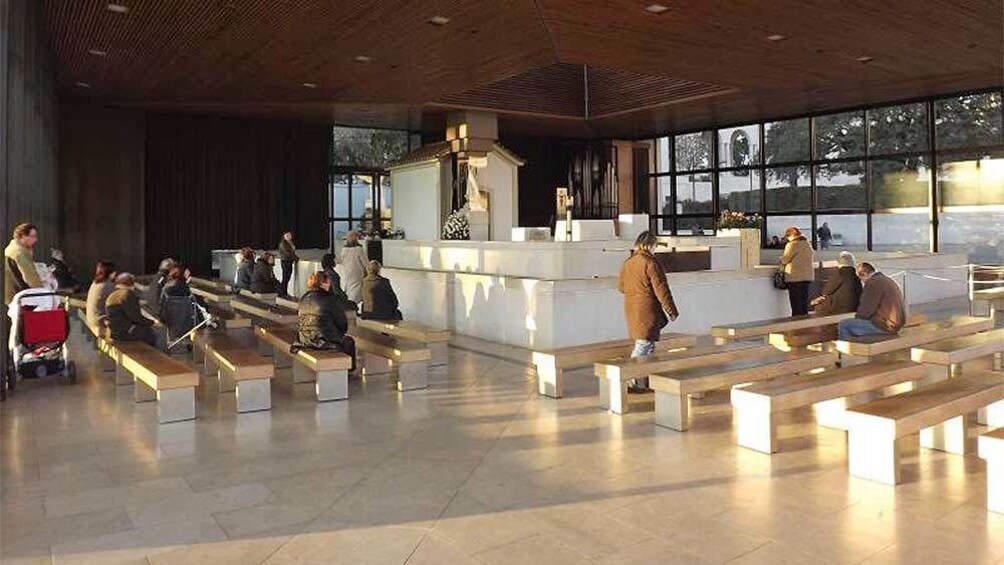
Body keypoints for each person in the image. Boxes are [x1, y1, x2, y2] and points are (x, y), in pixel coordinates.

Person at [618, 231, 679, 393]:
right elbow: (662, 290)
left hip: (632, 308)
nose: (655, 249)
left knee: (648, 345)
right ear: (649, 245)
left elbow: (621, 287)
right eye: (655, 245)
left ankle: (643, 381)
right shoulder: (650, 263)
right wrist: (671, 310)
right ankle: (629, 380)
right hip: (647, 309)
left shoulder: (628, 262)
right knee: (643, 345)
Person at [837, 262, 906, 340]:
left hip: (885, 326)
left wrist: (857, 318)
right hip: (895, 324)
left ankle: (850, 350)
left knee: (844, 324)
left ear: (864, 274)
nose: (862, 282)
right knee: (855, 324)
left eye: (861, 278)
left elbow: (865, 311)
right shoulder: (885, 279)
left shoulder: (873, 283)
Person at [296, 271, 349, 351]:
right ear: (323, 283)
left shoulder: (303, 298)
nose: (329, 285)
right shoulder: (331, 299)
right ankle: (349, 364)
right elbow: (342, 324)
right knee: (349, 342)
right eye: (328, 282)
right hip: (324, 342)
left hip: (304, 340)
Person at [106, 273, 157, 347]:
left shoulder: (113, 293)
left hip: (115, 332)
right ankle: (153, 356)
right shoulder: (127, 294)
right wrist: (151, 322)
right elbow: (136, 317)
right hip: (125, 333)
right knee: (152, 334)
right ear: (130, 283)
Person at [779, 226, 814, 316]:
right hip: (807, 277)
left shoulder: (792, 244)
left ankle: (796, 324)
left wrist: (781, 258)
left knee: (796, 304)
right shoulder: (807, 244)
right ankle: (804, 324)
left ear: (790, 235)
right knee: (803, 303)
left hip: (795, 277)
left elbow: (785, 260)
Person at [4, 223, 42, 304]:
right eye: (33, 236)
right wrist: (43, 292)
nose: (36, 239)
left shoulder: (13, 248)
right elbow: (31, 278)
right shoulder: (20, 253)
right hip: (21, 297)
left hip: (13, 295)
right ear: (23, 236)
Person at [85, 260, 117, 330]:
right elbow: (119, 299)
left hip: (91, 320)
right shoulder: (108, 285)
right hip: (100, 321)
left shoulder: (94, 284)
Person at [340, 230, 368, 304]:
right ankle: (352, 306)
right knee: (356, 291)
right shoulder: (359, 249)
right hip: (358, 274)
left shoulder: (343, 250)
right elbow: (366, 263)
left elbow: (342, 261)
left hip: (348, 273)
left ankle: (349, 306)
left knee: (349, 290)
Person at [278, 231, 298, 297]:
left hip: (289, 262)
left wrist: (295, 257)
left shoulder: (290, 243)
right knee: (285, 278)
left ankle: (284, 292)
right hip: (285, 262)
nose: (289, 237)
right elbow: (287, 253)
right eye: (287, 235)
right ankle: (282, 292)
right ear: (284, 237)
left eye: (289, 235)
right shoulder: (283, 244)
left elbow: (292, 252)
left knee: (287, 277)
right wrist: (295, 258)